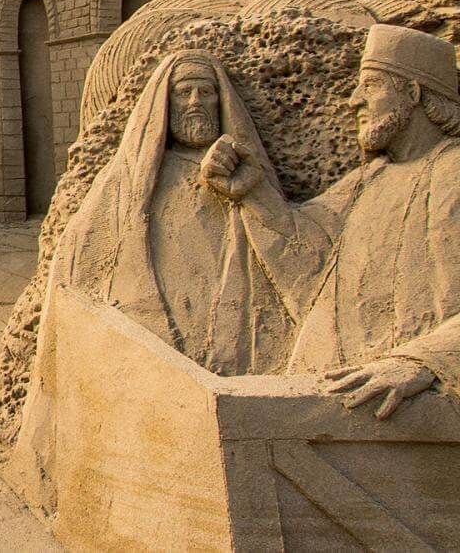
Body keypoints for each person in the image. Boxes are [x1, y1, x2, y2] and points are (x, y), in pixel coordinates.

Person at [207, 24, 460, 419]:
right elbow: (307, 258)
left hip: (412, 411)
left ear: (412, 93)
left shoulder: (451, 173)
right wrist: (252, 192)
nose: (354, 100)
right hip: (344, 403)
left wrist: (422, 361)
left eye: (371, 86)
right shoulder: (370, 179)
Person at [55, 50, 303, 373]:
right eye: (184, 92)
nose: (195, 102)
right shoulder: (132, 181)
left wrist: (250, 188)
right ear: (166, 103)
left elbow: (292, 250)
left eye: (206, 92)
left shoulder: (244, 171)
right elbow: (79, 261)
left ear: (221, 101)